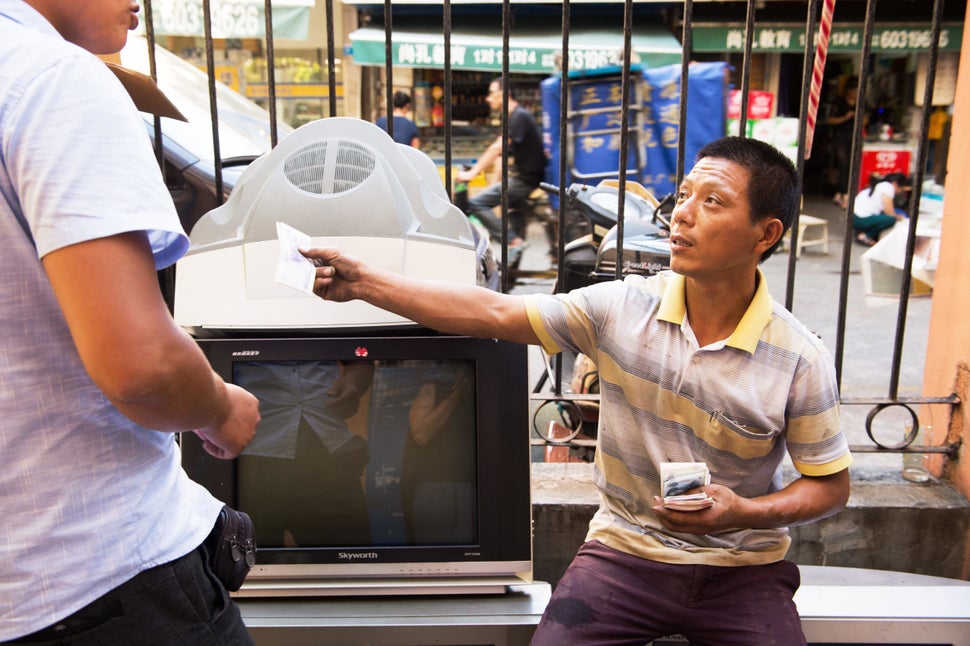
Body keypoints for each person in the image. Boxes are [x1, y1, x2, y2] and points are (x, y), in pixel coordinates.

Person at [302, 135, 852, 644]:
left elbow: (829, 488)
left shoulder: (798, 358)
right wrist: (364, 283)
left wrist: (741, 513)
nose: (682, 213)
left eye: (712, 201)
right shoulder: (622, 307)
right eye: (683, 194)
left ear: (766, 233)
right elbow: (492, 311)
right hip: (625, 554)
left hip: (743, 570)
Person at [1, 1, 261, 643]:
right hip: (89, 579)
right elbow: (141, 367)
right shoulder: (54, 78)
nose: (140, 8)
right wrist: (221, 408)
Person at [456, 77, 546, 252]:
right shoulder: (515, 116)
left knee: (476, 203)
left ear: (504, 94)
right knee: (514, 210)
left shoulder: (519, 116)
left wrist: (472, 173)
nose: (488, 99)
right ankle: (511, 267)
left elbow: (498, 147)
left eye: (491, 93)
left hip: (526, 179)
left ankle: (513, 242)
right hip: (523, 176)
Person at [852, 172, 910, 247]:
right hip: (860, 219)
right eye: (902, 188)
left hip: (854, 217)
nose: (901, 191)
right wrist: (900, 217)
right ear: (895, 184)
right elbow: (889, 212)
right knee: (890, 219)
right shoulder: (888, 187)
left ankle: (862, 233)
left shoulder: (880, 185)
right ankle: (864, 235)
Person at [826, 77, 859, 210]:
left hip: (855, 137)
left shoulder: (861, 102)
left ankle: (843, 194)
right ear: (849, 90)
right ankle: (842, 193)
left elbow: (866, 121)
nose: (856, 93)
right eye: (855, 90)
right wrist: (846, 118)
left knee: (852, 166)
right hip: (840, 136)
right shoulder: (839, 102)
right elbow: (830, 120)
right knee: (843, 165)